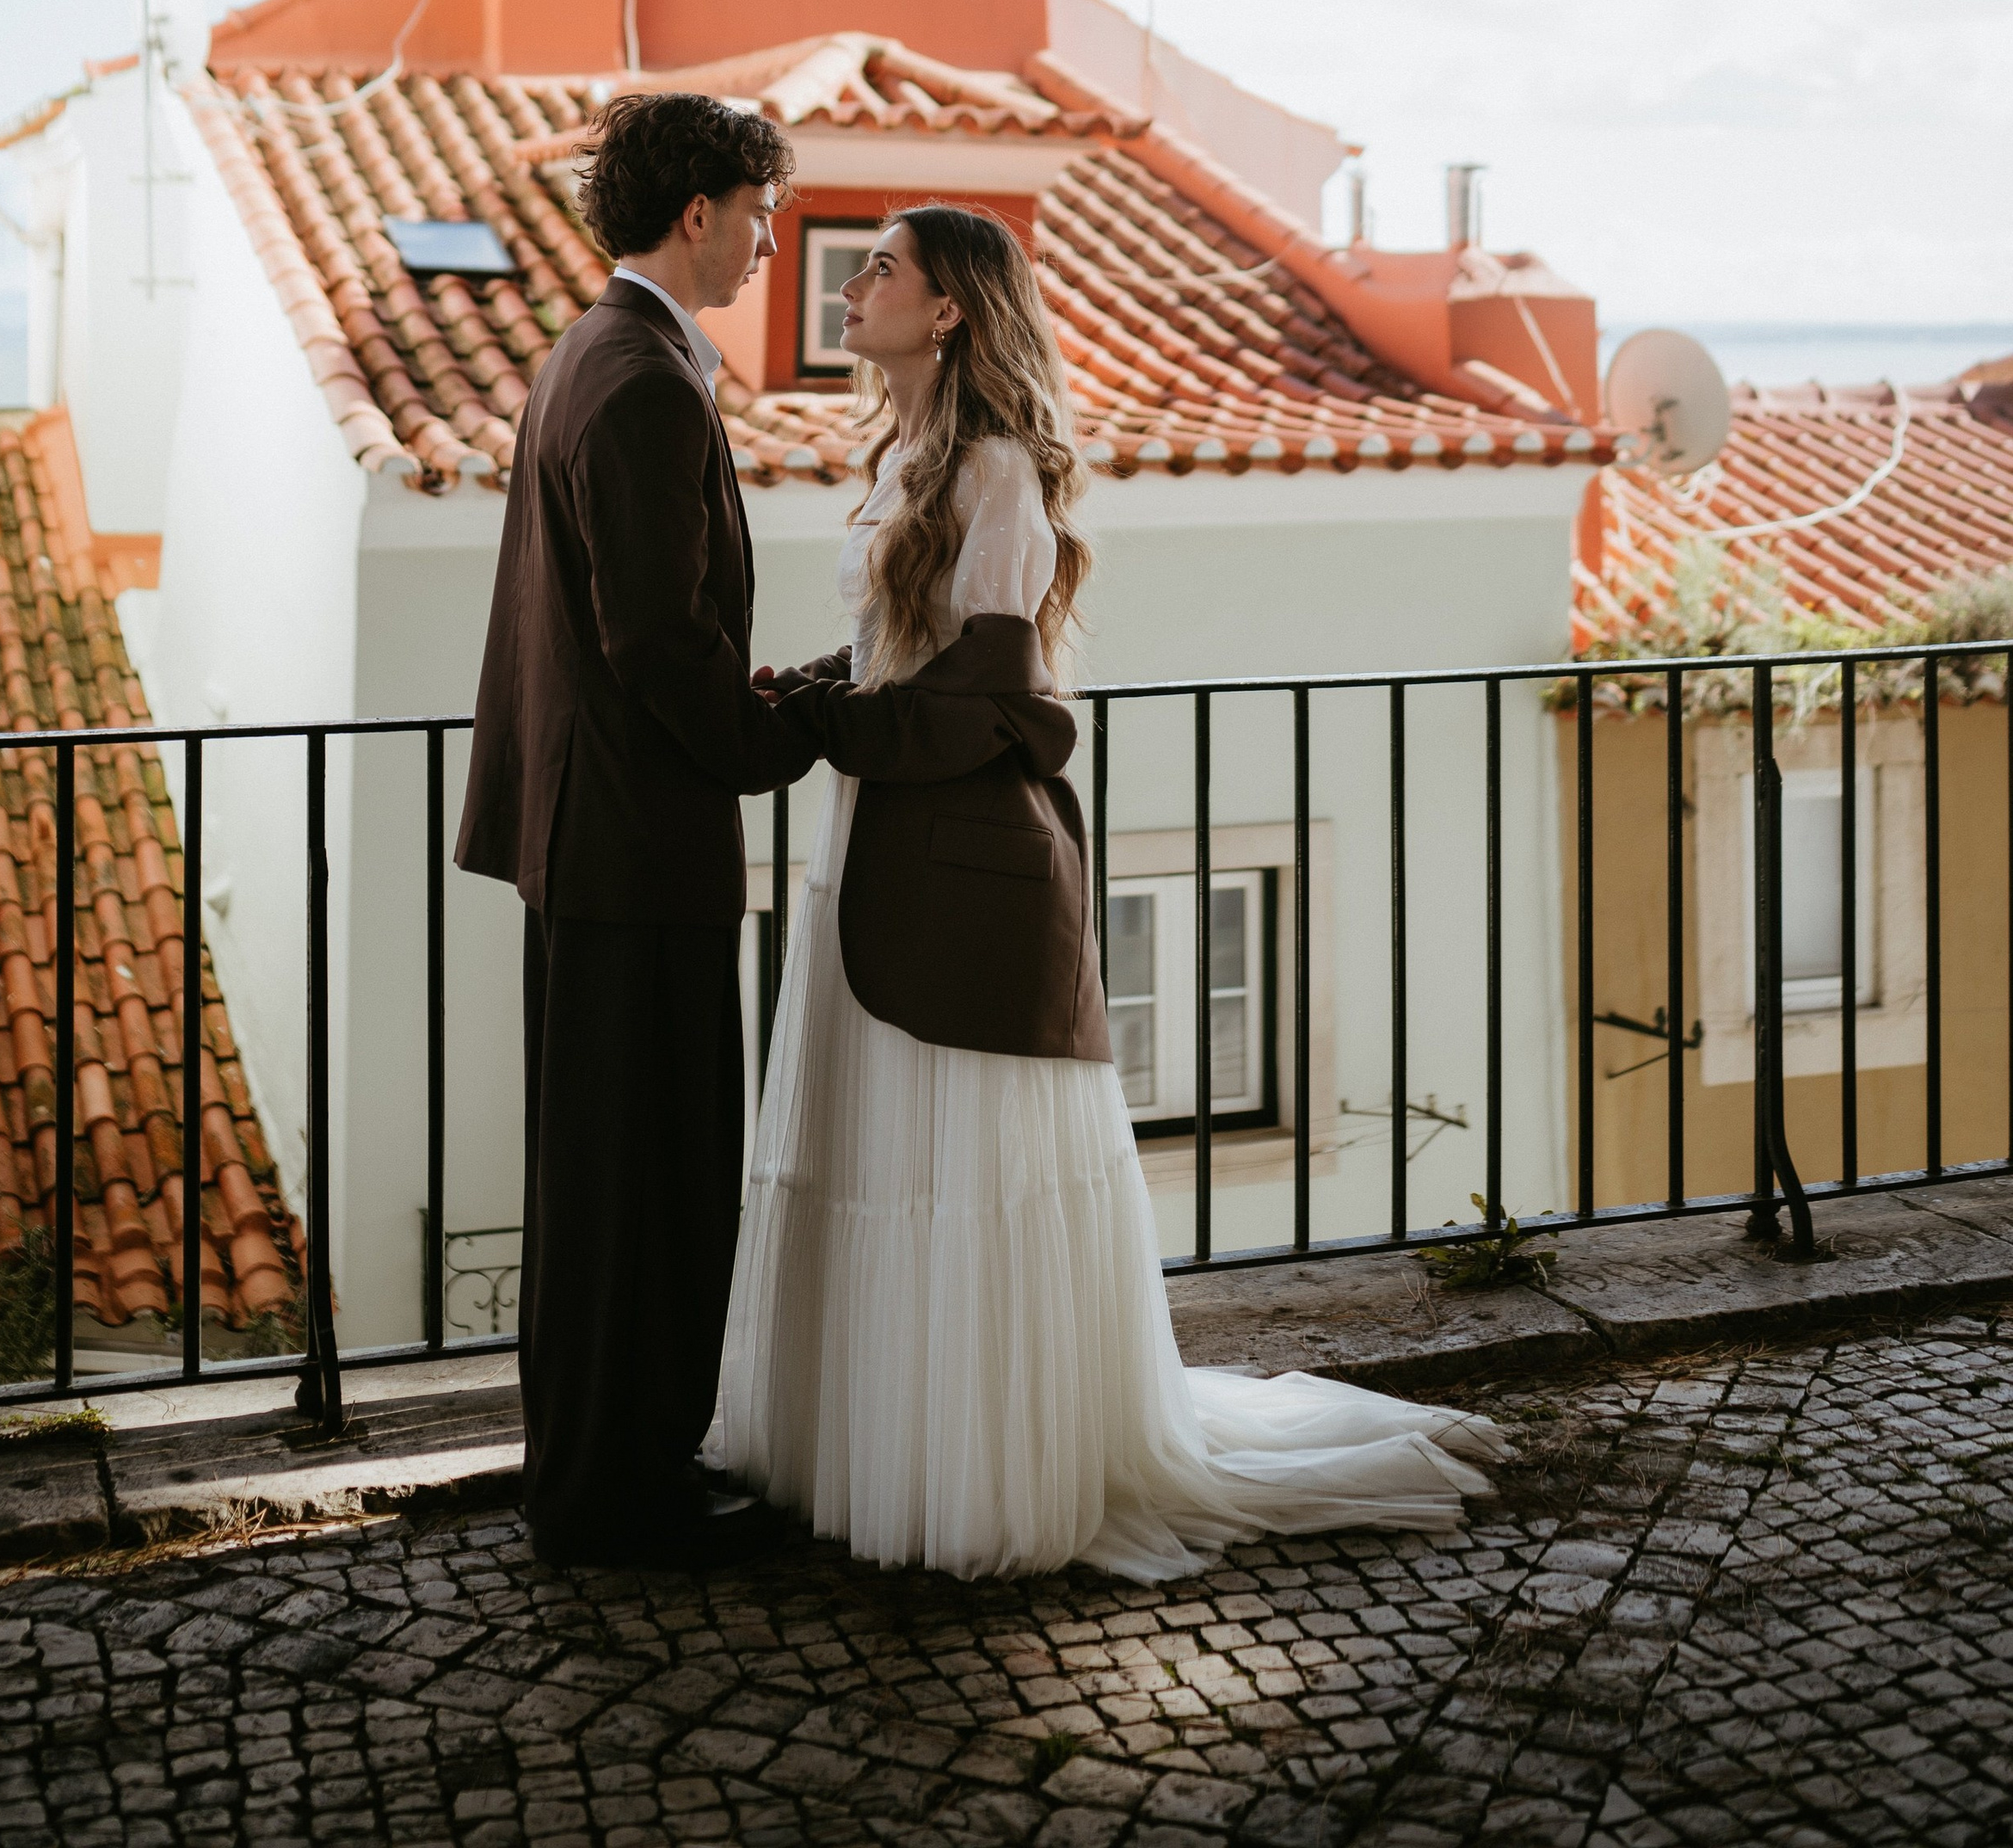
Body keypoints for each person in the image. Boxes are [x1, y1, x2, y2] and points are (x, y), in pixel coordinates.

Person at [711, 204, 1502, 1580]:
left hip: (956, 856)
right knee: (875, 1149)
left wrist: (832, 725)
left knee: (951, 1157)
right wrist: (810, 689)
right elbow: (896, 658)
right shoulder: (905, 461)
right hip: (872, 842)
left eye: (879, 270)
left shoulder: (997, 472)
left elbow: (982, 696)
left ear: (948, 308)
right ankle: (869, 1444)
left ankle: (971, 1473)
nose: (850, 290)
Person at [455, 90, 816, 1569]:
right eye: (762, 214)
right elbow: (660, 642)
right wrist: (782, 734)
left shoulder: (588, 354)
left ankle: (594, 1474)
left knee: (606, 1177)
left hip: (586, 837)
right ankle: (617, 1497)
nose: (770, 243)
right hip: (634, 844)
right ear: (699, 213)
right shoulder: (650, 380)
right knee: (649, 1179)